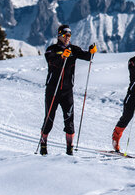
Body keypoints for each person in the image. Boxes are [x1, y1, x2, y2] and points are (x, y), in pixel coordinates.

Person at [40, 24, 97, 156]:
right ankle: (43, 145)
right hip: (53, 90)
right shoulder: (51, 49)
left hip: (67, 91)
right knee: (49, 119)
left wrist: (91, 52)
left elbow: (87, 57)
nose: (67, 38)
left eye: (69, 35)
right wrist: (62, 57)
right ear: (59, 35)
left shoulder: (73, 49)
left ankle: (69, 148)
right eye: (65, 35)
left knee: (69, 120)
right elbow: (51, 61)